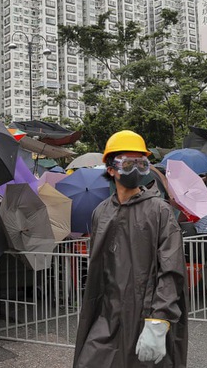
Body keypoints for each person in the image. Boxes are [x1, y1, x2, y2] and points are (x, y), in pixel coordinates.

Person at [73, 130, 188, 368]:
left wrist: (158, 321)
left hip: (147, 316)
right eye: (128, 163)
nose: (135, 170)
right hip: (108, 317)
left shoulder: (160, 211)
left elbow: (171, 269)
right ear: (111, 169)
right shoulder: (101, 213)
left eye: (141, 163)